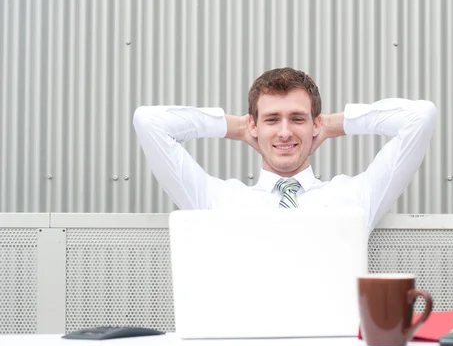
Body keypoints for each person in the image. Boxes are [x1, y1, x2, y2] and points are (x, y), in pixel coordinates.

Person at [133, 67, 437, 233]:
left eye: (297, 118)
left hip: (332, 344)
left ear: (314, 124)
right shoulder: (216, 200)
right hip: (246, 343)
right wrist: (234, 127)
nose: (284, 132)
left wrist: (334, 124)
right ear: (254, 125)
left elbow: (420, 117)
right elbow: (149, 122)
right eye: (271, 119)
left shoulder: (356, 197)